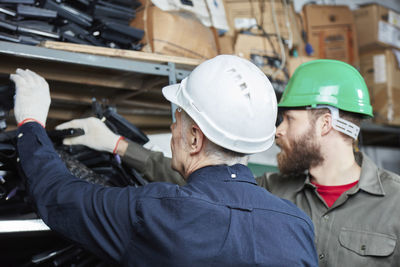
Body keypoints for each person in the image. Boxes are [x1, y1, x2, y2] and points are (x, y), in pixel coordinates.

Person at [58, 59, 400, 266]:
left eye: (289, 120)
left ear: (325, 123)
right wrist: (118, 145)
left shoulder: (396, 205)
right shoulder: (270, 190)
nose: (277, 131)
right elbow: (199, 181)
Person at [12, 56, 318, 266]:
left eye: (177, 120)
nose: (173, 129)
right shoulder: (296, 226)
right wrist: (117, 144)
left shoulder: (156, 212)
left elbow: (57, 195)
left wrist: (30, 122)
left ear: (195, 139)